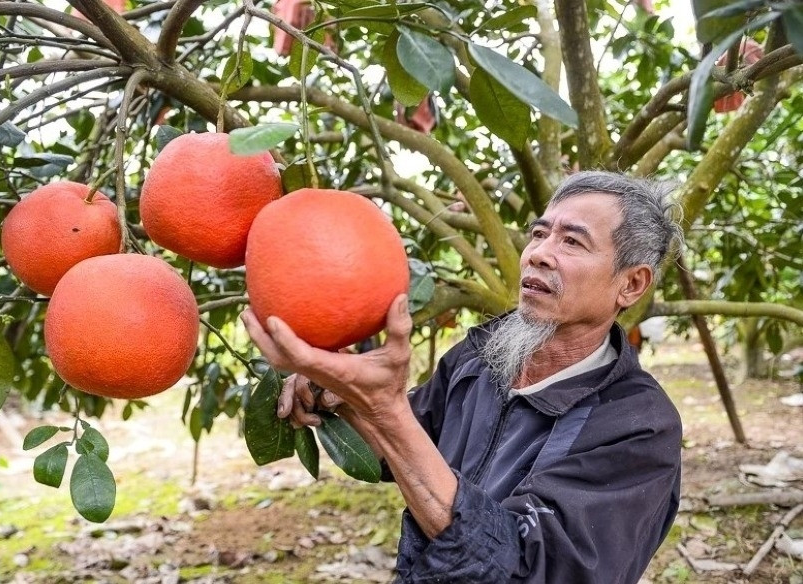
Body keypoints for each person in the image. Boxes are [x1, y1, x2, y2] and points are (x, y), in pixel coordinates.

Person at [241, 171, 685, 583]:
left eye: (572, 242)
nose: (539, 254)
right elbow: (400, 453)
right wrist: (342, 394)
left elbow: (531, 569)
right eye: (539, 233)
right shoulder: (481, 356)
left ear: (631, 284)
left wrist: (385, 409)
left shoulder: (638, 425)